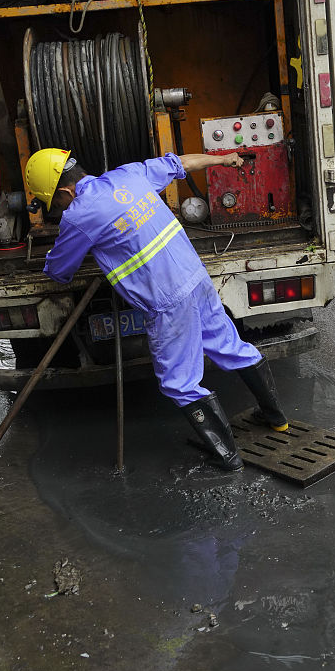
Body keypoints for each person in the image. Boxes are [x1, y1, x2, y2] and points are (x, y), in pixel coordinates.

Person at [27, 148, 288, 472]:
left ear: (66, 192)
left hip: (167, 300)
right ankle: (276, 418)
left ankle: (228, 457)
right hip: (196, 278)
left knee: (178, 382)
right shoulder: (129, 175)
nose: (59, 209)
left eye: (55, 203)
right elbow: (182, 163)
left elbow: (59, 271)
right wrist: (223, 158)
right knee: (230, 346)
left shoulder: (78, 216)